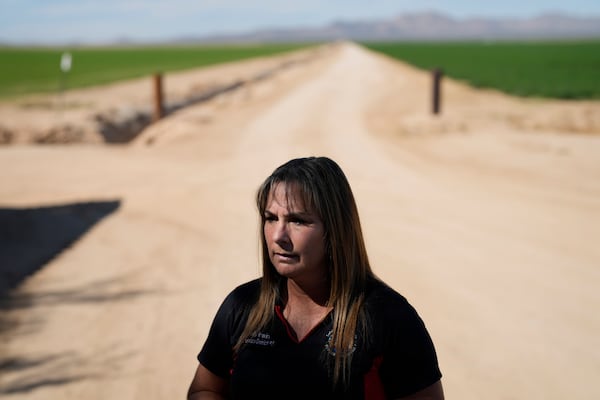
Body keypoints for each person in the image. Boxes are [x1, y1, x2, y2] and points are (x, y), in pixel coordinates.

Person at [187, 157, 444, 400]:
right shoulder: (242, 305)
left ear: (335, 230)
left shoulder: (389, 316)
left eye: (297, 221)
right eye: (270, 218)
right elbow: (204, 390)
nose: (278, 235)